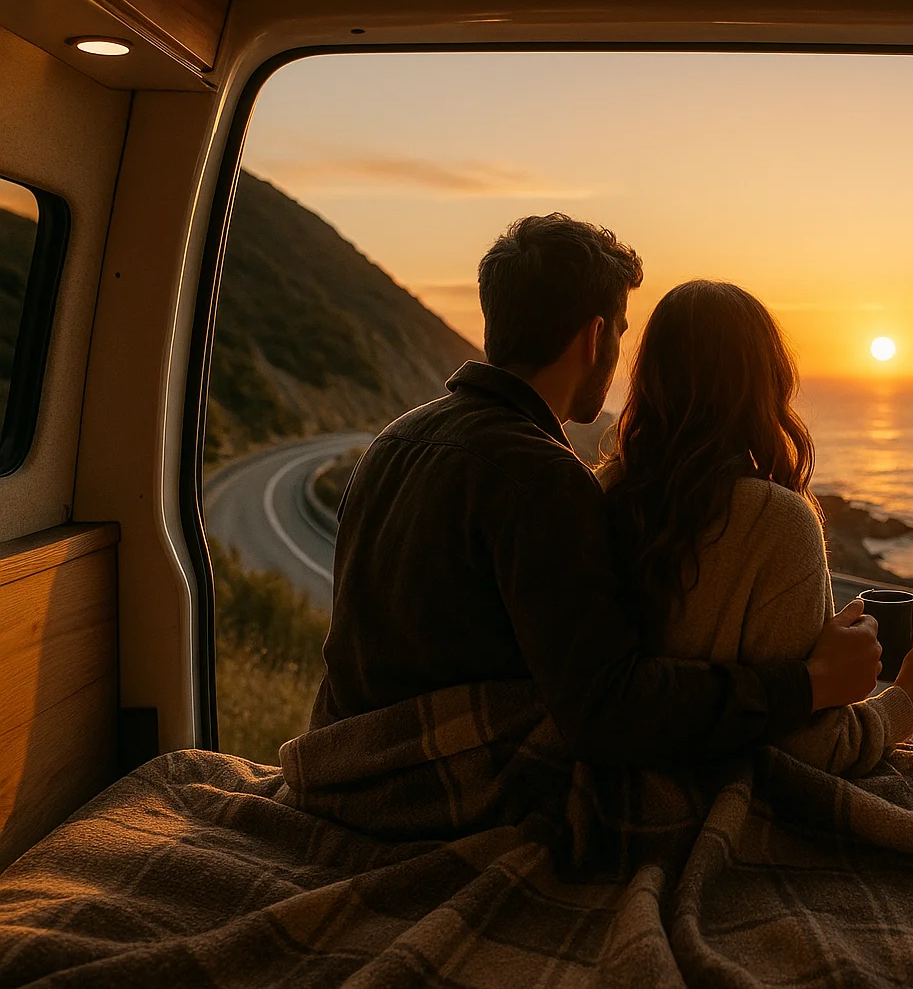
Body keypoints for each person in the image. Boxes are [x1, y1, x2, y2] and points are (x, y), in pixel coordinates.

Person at [310, 215, 883, 765]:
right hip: (441, 784)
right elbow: (609, 709)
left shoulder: (394, 440)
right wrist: (810, 684)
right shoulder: (542, 479)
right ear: (595, 336)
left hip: (344, 756)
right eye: (620, 333)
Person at [600, 280, 913, 777]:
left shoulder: (602, 491)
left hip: (609, 772)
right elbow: (815, 748)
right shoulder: (777, 521)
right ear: (767, 383)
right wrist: (908, 700)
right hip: (716, 789)